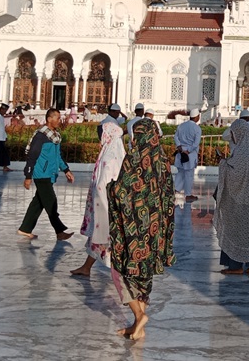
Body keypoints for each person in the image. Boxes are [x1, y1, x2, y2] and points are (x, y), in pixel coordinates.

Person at [107, 110, 175, 340]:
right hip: (155, 231)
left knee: (122, 271)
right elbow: (168, 196)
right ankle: (138, 326)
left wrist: (110, 188)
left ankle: (139, 316)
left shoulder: (134, 159)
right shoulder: (163, 162)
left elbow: (121, 191)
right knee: (144, 276)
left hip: (134, 230)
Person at [69, 115, 126, 276]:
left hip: (106, 206)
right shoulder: (113, 151)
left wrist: (99, 200)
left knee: (105, 240)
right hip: (108, 205)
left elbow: (104, 183)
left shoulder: (110, 156)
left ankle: (120, 274)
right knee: (98, 240)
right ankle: (86, 267)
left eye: (102, 133)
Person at [213, 117, 249, 273]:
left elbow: (235, 175)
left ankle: (236, 266)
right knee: (248, 232)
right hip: (248, 198)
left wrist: (222, 163)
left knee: (237, 232)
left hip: (241, 200)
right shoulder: (247, 149)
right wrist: (226, 162)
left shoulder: (243, 151)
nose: (231, 135)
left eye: (233, 132)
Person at [17, 108, 75, 240]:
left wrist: (66, 170)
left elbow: (58, 156)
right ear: (49, 119)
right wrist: (28, 176)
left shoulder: (55, 136)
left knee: (38, 203)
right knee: (51, 203)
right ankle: (60, 231)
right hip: (41, 174)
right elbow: (32, 156)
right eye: (57, 118)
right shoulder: (40, 136)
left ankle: (24, 229)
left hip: (50, 174)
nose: (59, 121)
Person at [174, 108, 202, 202]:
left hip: (181, 152)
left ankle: (175, 190)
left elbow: (176, 137)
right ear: (197, 117)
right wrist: (188, 150)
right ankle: (188, 195)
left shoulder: (181, 125)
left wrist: (180, 147)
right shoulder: (197, 128)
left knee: (180, 173)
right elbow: (196, 143)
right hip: (189, 154)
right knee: (189, 175)